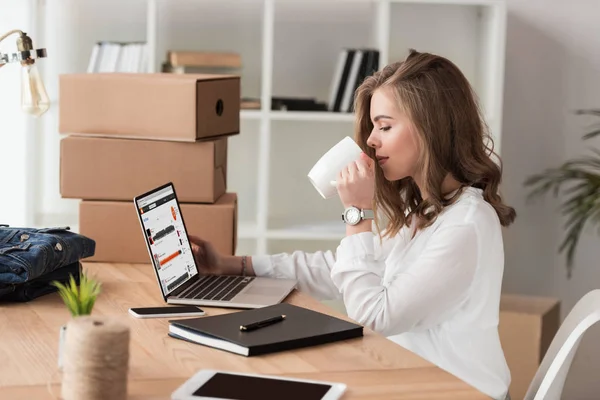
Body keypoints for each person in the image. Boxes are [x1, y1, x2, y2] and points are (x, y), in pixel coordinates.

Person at [189, 49, 516, 400]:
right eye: (373, 126)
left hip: (457, 392)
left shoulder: (465, 224)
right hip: (414, 381)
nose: (372, 140)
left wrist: (358, 214)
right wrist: (235, 266)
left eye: (385, 126)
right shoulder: (427, 210)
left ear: (431, 129)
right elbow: (341, 270)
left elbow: (376, 315)